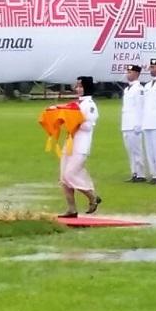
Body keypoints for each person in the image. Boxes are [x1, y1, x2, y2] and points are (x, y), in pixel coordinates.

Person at [58, 76, 102, 217]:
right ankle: (71, 209)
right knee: (63, 177)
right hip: (70, 142)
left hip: (81, 145)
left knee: (69, 174)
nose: (78, 89)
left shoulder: (89, 105)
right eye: (77, 86)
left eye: (81, 86)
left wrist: (75, 120)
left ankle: (92, 196)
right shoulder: (77, 103)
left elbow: (88, 125)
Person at [120, 65, 148, 183]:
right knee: (130, 150)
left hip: (134, 124)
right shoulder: (127, 89)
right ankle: (134, 172)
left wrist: (139, 124)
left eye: (130, 72)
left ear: (136, 74)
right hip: (126, 124)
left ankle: (141, 174)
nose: (128, 74)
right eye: (127, 72)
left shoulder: (139, 89)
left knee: (137, 150)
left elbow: (141, 107)